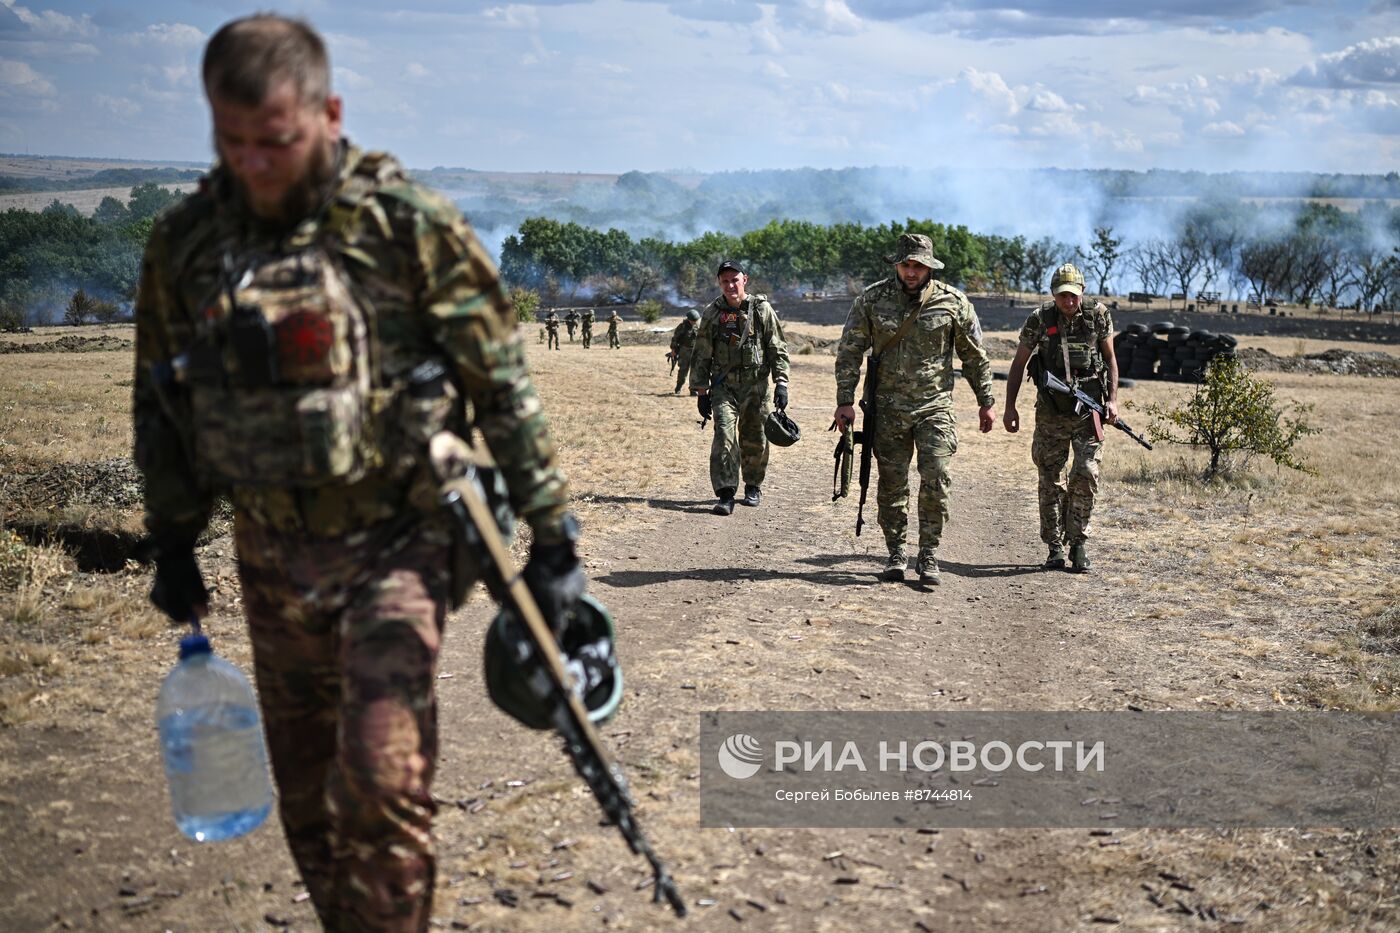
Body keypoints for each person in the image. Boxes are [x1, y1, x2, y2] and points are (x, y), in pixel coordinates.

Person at [131, 16, 586, 931]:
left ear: (329, 113)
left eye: (278, 139)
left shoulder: (404, 229)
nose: (254, 163)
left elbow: (501, 384)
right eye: (232, 140)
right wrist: (173, 537)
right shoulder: (187, 246)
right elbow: (162, 400)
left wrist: (553, 535)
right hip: (269, 557)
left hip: (398, 543)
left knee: (379, 783)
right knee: (308, 803)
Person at [833, 233, 996, 585]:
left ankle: (929, 553)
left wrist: (986, 402)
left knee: (936, 475)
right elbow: (850, 351)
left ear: (929, 267)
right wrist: (845, 400)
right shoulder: (872, 300)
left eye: (918, 265)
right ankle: (896, 552)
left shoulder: (953, 303)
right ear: (897, 264)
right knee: (892, 484)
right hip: (886, 409)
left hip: (934, 407)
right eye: (906, 264)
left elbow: (973, 356)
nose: (911, 271)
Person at [1003, 262, 1119, 573]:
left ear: (1082, 292)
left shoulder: (1098, 315)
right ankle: (1054, 547)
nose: (1068, 302)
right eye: (1062, 296)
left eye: (1073, 296)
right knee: (1050, 480)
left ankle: (1078, 543)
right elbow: (1018, 365)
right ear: (1054, 295)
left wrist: (1113, 402)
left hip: (1088, 412)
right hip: (1051, 414)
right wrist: (1009, 407)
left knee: (1085, 474)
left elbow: (1110, 359)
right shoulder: (1040, 319)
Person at [690, 260, 790, 515]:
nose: (730, 285)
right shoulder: (712, 313)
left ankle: (753, 485)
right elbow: (701, 354)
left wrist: (781, 383)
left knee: (755, 438)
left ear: (745, 279)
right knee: (724, 436)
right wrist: (702, 393)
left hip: (756, 388)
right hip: (724, 389)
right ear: (719, 283)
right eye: (725, 281)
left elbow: (777, 347)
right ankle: (726, 493)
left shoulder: (762, 309)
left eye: (735, 280)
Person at [669, 308, 701, 395]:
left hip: (696, 351)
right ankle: (678, 387)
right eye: (692, 320)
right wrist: (673, 350)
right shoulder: (682, 327)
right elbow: (675, 339)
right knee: (683, 370)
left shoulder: (699, 325)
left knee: (695, 371)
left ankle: (693, 390)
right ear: (688, 319)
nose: (694, 322)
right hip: (685, 351)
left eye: (695, 320)